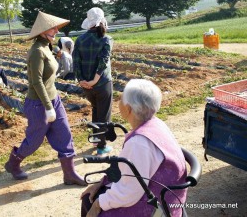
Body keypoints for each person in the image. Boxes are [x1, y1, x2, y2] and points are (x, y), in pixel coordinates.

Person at [80, 79, 187, 217]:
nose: (119, 102)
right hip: (164, 197)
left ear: (128, 108)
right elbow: (129, 174)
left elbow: (129, 192)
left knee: (89, 203)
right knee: (93, 196)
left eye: (121, 98)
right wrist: (102, 183)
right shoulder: (156, 124)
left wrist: (98, 204)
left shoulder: (139, 143)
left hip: (155, 208)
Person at [4, 11, 86, 186]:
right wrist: (48, 107)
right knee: (34, 140)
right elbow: (36, 81)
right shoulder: (36, 51)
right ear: (42, 31)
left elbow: (49, 74)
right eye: (52, 28)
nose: (56, 31)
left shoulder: (47, 47)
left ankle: (69, 174)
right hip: (38, 104)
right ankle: (13, 163)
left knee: (65, 134)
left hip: (53, 99)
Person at [73, 7, 113, 155]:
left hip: (86, 86)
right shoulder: (106, 39)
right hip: (102, 83)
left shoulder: (79, 39)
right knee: (104, 114)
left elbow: (75, 62)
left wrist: (82, 81)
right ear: (101, 20)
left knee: (96, 110)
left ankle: (96, 139)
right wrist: (95, 80)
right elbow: (103, 62)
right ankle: (102, 146)